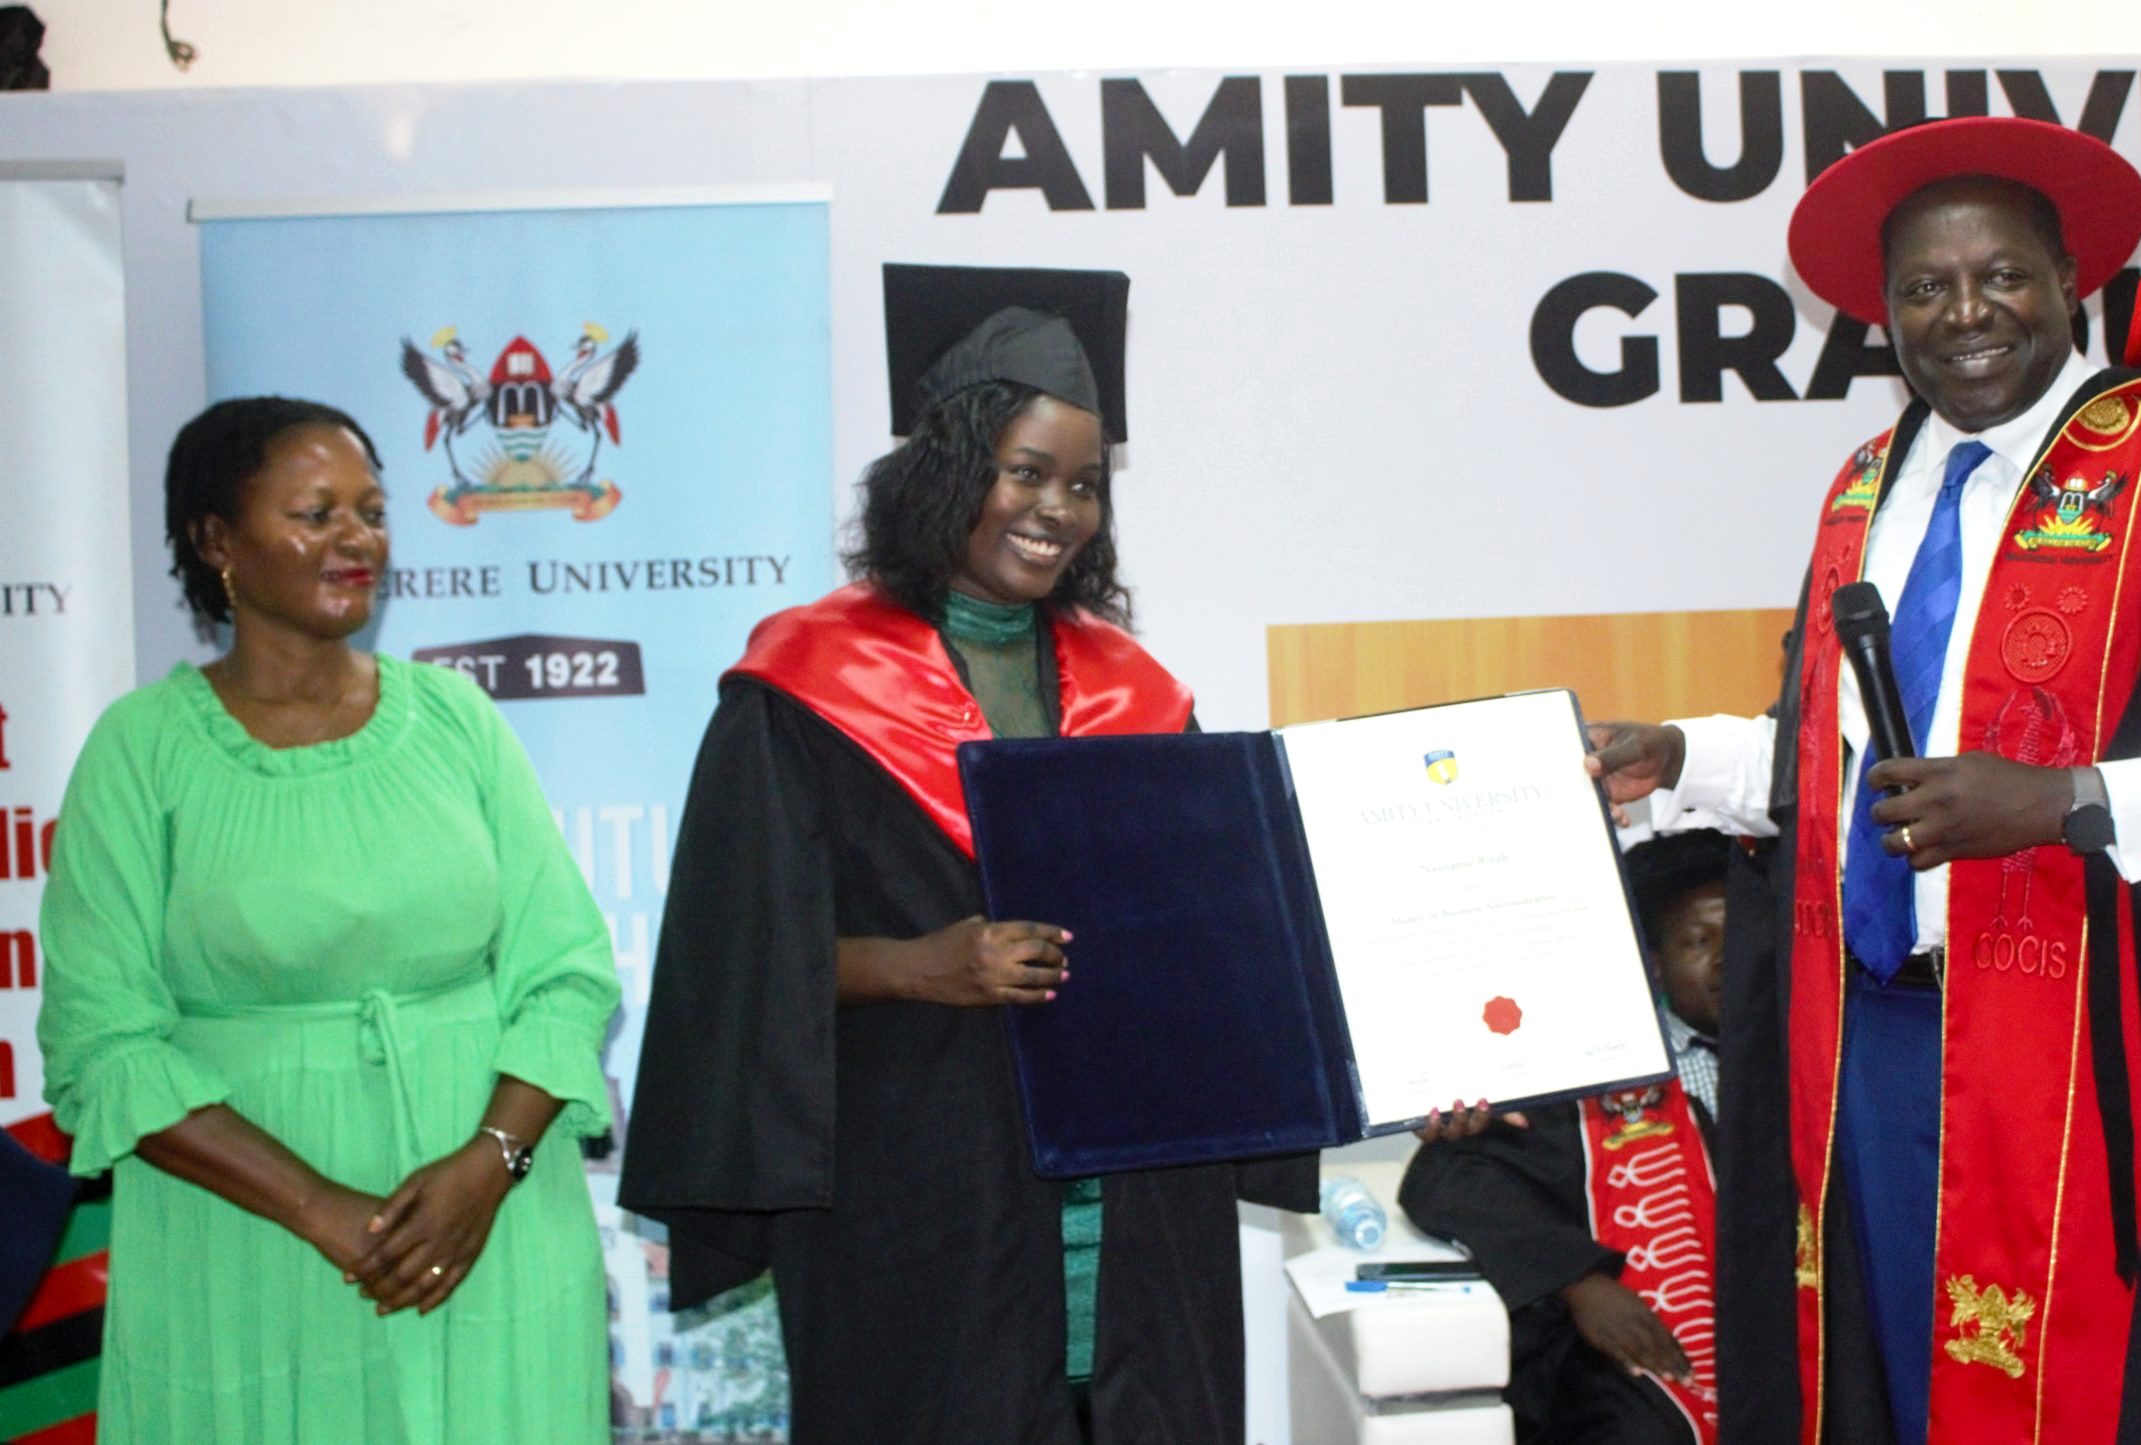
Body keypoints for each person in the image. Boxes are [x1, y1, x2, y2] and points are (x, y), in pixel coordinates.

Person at [1588, 117, 2141, 1443]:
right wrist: (1691, 761)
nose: (1965, 312)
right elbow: (1848, 761)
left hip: (2096, 1066)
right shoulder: (1868, 489)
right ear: (1885, 314)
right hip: (1873, 1046)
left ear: (2068, 284)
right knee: (1890, 1393)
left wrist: (2064, 803)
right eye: (1925, 287)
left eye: (2002, 274)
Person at [618, 265, 1498, 1445]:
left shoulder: (1137, 693)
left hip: (1143, 1224)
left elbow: (1230, 959)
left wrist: (1403, 1062)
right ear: (948, 468)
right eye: (1025, 471)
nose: (1057, 508)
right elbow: (733, 972)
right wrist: (921, 965)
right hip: (918, 1198)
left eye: (1082, 484)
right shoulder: (803, 684)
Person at [36, 397, 619, 1443]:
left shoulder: (457, 720)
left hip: (491, 1231)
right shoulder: (140, 751)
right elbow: (105, 1041)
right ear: (216, 540)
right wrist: (321, 1207)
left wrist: (491, 1163)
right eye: (315, 512)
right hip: (250, 1244)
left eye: (373, 510)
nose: (357, 539)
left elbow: (567, 970)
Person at [1401, 829, 1732, 1444]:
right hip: (1634, 1348)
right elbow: (1449, 1180)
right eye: (1698, 941)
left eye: (1741, 940)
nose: (1726, 961)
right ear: (1653, 962)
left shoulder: (1811, 1062)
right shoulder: (1585, 1066)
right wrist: (1577, 1282)